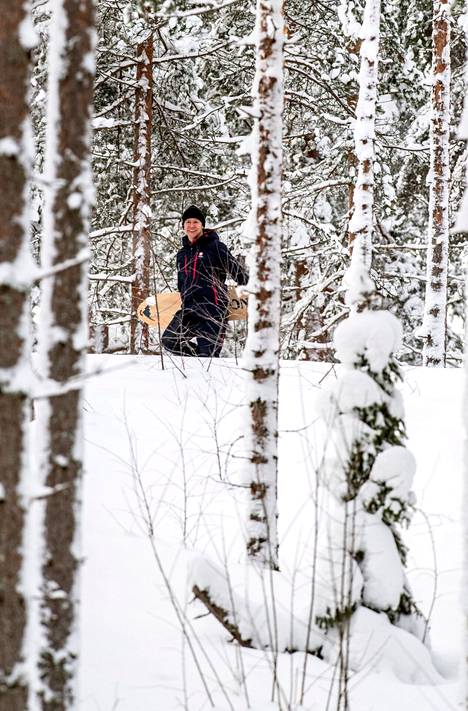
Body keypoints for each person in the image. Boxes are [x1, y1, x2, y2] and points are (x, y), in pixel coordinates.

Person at [161, 205, 248, 358]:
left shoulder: (215, 247)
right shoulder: (182, 254)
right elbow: (182, 283)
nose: (192, 226)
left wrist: (253, 291)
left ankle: (202, 361)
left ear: (202, 225)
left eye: (196, 222)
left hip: (213, 311)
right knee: (169, 340)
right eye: (188, 222)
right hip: (189, 311)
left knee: (207, 358)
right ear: (183, 226)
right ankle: (196, 360)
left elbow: (238, 273)